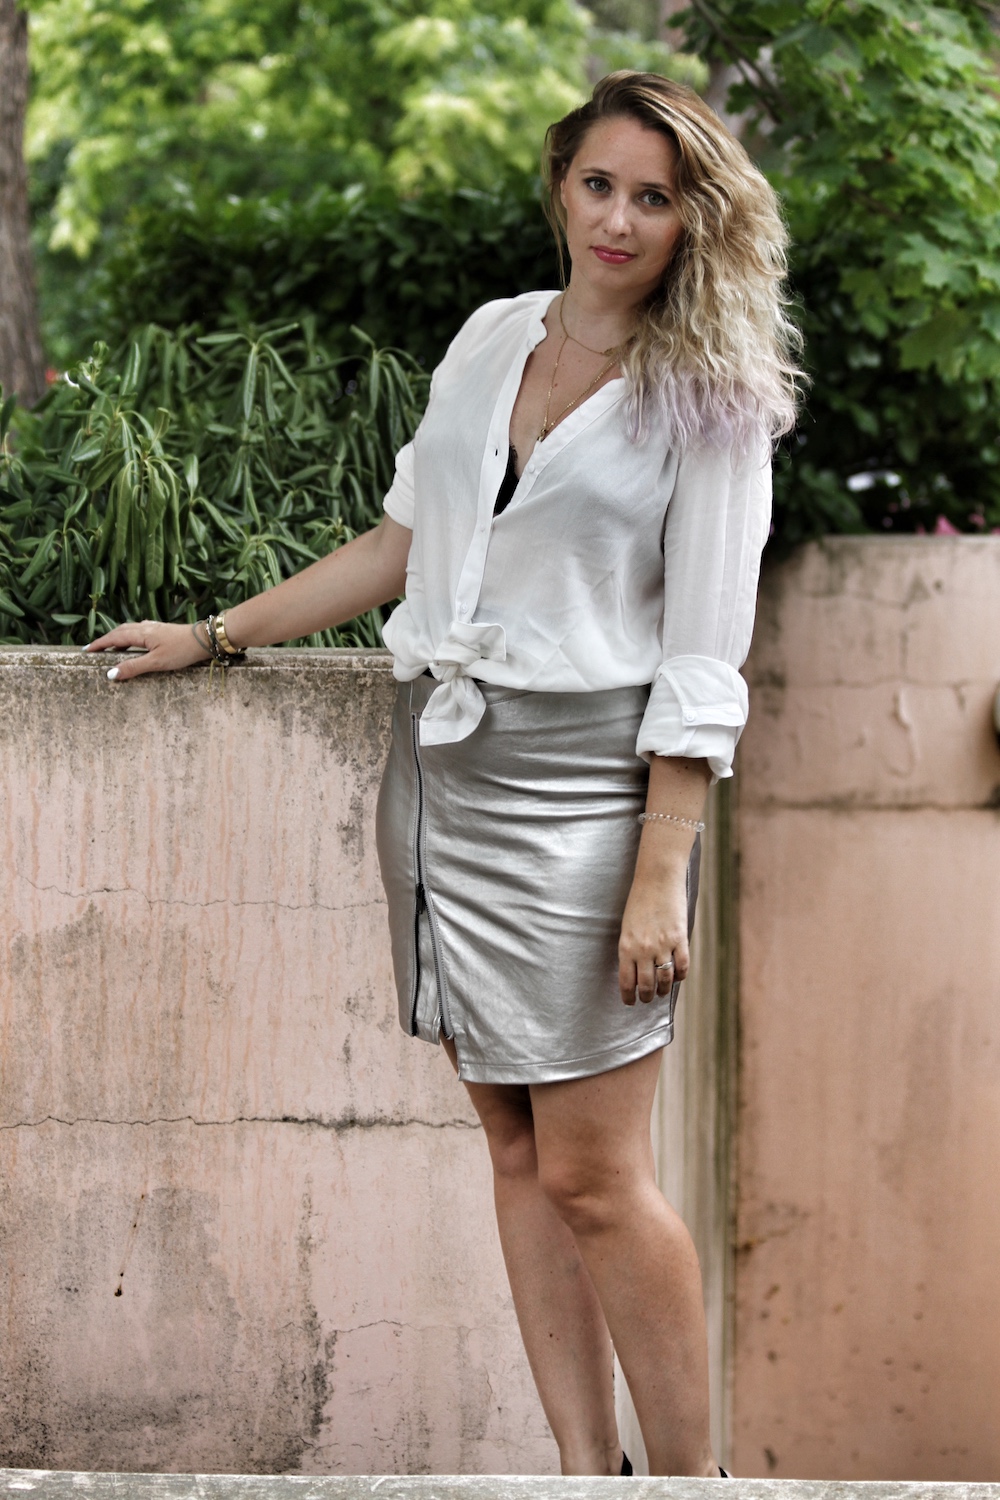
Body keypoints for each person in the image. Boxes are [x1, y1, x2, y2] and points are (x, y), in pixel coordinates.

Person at [86, 71, 801, 1478]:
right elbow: (402, 546)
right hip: (444, 776)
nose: (618, 220)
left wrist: (659, 872)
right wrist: (216, 635)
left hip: (593, 798)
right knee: (519, 1154)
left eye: (654, 198)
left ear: (695, 222)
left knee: (599, 1175)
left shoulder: (709, 397)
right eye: (598, 185)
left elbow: (704, 657)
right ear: (560, 184)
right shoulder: (490, 339)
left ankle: (695, 1485)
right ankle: (587, 1472)